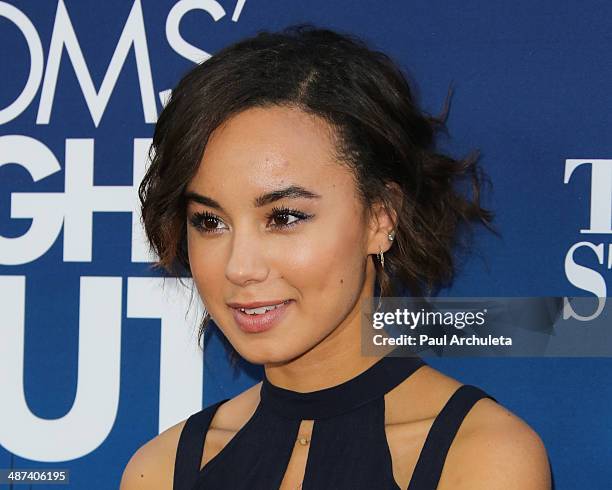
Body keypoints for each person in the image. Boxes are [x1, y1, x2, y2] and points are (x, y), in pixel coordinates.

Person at [120, 25, 551, 490]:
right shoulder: (160, 470)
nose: (239, 267)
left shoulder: (482, 457)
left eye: (284, 217)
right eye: (210, 222)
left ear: (380, 218)